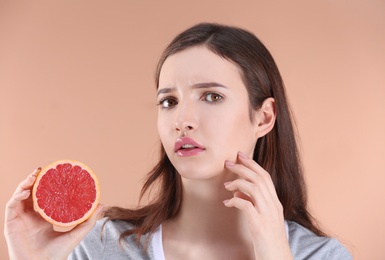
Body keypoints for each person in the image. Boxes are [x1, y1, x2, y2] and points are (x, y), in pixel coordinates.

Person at [4, 23, 352, 259]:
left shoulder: (319, 255)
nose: (182, 121)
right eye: (168, 101)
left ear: (263, 117)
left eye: (212, 96)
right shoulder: (102, 245)